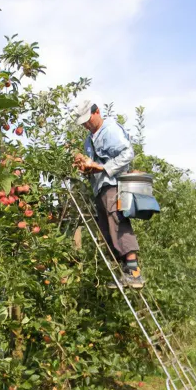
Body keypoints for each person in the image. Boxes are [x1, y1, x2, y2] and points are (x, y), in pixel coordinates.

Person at [72, 100, 144, 289]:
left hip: (114, 185)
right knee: (106, 231)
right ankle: (125, 273)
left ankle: (134, 272)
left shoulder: (110, 130)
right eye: (83, 123)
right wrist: (85, 163)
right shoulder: (90, 139)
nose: (86, 125)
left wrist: (103, 167)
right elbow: (95, 163)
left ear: (97, 112)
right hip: (100, 188)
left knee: (118, 223)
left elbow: (127, 153)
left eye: (88, 120)